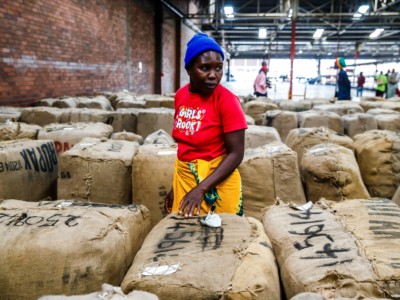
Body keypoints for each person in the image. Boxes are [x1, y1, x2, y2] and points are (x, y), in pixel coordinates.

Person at [164, 33, 248, 218]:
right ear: (189, 69)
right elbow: (185, 147)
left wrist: (201, 189)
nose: (213, 75)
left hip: (217, 183)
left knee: (220, 237)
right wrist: (175, 188)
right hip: (185, 178)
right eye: (205, 68)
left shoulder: (226, 101)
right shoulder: (181, 96)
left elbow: (236, 153)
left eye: (218, 68)